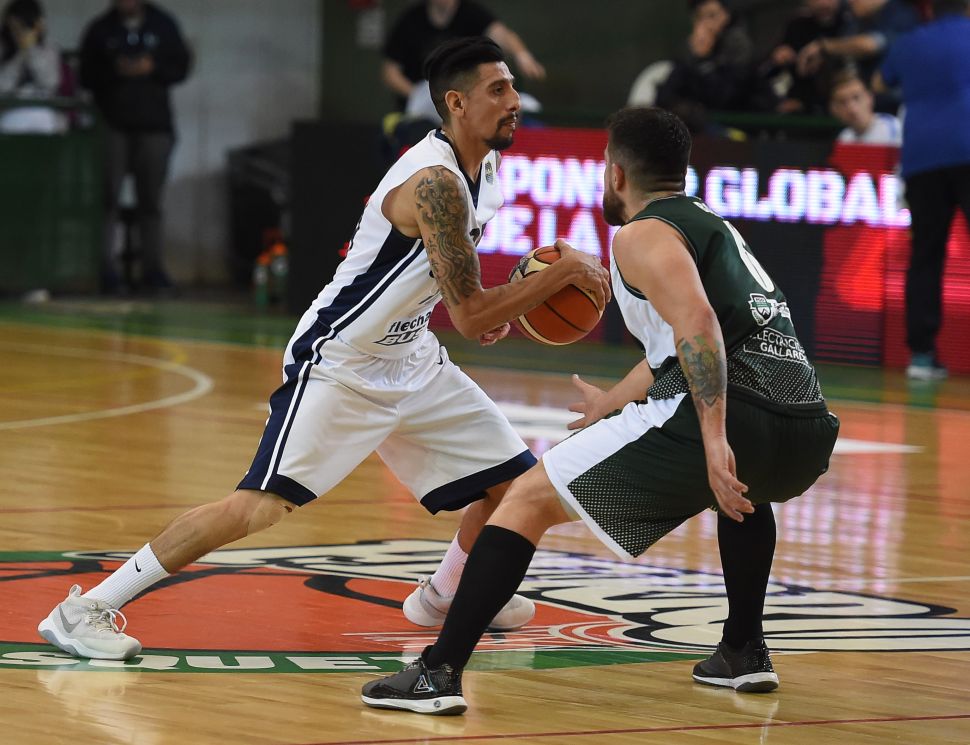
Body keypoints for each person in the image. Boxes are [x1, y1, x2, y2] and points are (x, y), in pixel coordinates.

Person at [37, 37, 611, 662]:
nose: (515, 101)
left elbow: (450, 291)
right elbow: (472, 315)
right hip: (342, 362)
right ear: (456, 103)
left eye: (513, 87)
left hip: (413, 357)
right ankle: (86, 608)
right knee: (255, 509)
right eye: (498, 90)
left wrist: (487, 308)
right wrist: (561, 273)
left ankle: (445, 594)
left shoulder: (486, 170)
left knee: (516, 488)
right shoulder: (436, 183)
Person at [361, 106, 840, 715]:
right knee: (745, 492)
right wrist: (614, 401)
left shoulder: (640, 235)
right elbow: (686, 344)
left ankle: (438, 672)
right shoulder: (712, 226)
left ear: (616, 173)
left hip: (731, 417)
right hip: (804, 427)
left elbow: (700, 326)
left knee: (524, 500)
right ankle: (743, 650)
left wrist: (716, 437)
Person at [878, 0, 970, 379]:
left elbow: (880, 82)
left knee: (926, 255)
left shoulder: (909, 41)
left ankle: (921, 355)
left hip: (922, 157)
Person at [79, 0, 190, 295]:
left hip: (154, 127)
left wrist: (152, 67)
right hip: (112, 125)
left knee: (150, 203)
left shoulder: (163, 24)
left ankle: (153, 271)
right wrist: (116, 69)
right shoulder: (101, 29)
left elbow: (180, 66)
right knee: (107, 201)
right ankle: (105, 271)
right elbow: (86, 75)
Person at [382, 0, 545, 112]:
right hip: (424, 103)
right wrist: (419, 96)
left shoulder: (472, 13)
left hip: (467, 100)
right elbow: (390, 72)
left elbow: (502, 35)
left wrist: (522, 54)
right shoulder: (410, 20)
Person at [656, 0, 756, 118]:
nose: (706, 23)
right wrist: (696, 56)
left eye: (712, 15)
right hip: (698, 121)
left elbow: (723, 100)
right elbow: (664, 97)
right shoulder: (693, 47)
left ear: (726, 15)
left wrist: (703, 59)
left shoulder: (737, 45)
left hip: (737, 119)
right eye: (700, 17)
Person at [797, 0, 919, 93]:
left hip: (897, 104)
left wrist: (823, 46)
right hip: (865, 101)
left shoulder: (901, 14)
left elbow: (870, 45)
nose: (850, 2)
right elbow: (845, 47)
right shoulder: (857, 18)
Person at [763, 0, 853, 115]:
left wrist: (823, 48)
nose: (823, 3)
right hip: (802, 104)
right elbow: (769, 69)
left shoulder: (849, 22)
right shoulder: (797, 25)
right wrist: (776, 60)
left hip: (843, 101)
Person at [0, 0, 64, 133]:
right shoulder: (3, 48)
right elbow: (2, 86)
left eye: (24, 26)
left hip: (43, 110)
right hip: (9, 110)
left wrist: (31, 49)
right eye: (14, 27)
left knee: (49, 121)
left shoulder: (49, 49)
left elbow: (50, 83)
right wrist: (21, 54)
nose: (19, 32)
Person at [829, 67, 901, 144]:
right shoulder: (844, 138)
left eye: (856, 98)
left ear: (869, 98)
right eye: (842, 102)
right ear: (835, 109)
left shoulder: (894, 128)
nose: (851, 107)